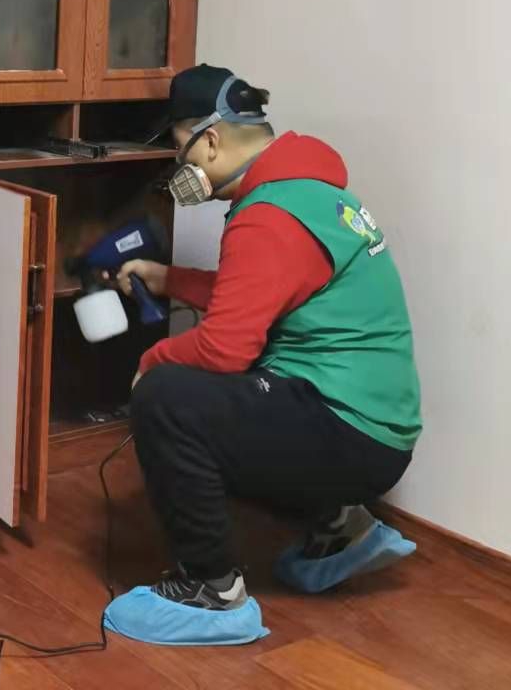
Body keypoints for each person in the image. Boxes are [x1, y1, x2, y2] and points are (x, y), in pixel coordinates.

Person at [102, 64, 422, 647]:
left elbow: (224, 348)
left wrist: (152, 365)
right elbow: (257, 293)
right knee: (247, 378)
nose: (180, 169)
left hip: (347, 431)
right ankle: (340, 527)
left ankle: (211, 590)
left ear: (211, 141)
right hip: (373, 428)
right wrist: (168, 278)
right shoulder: (307, 192)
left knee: (167, 397)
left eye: (180, 150)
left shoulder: (267, 217)